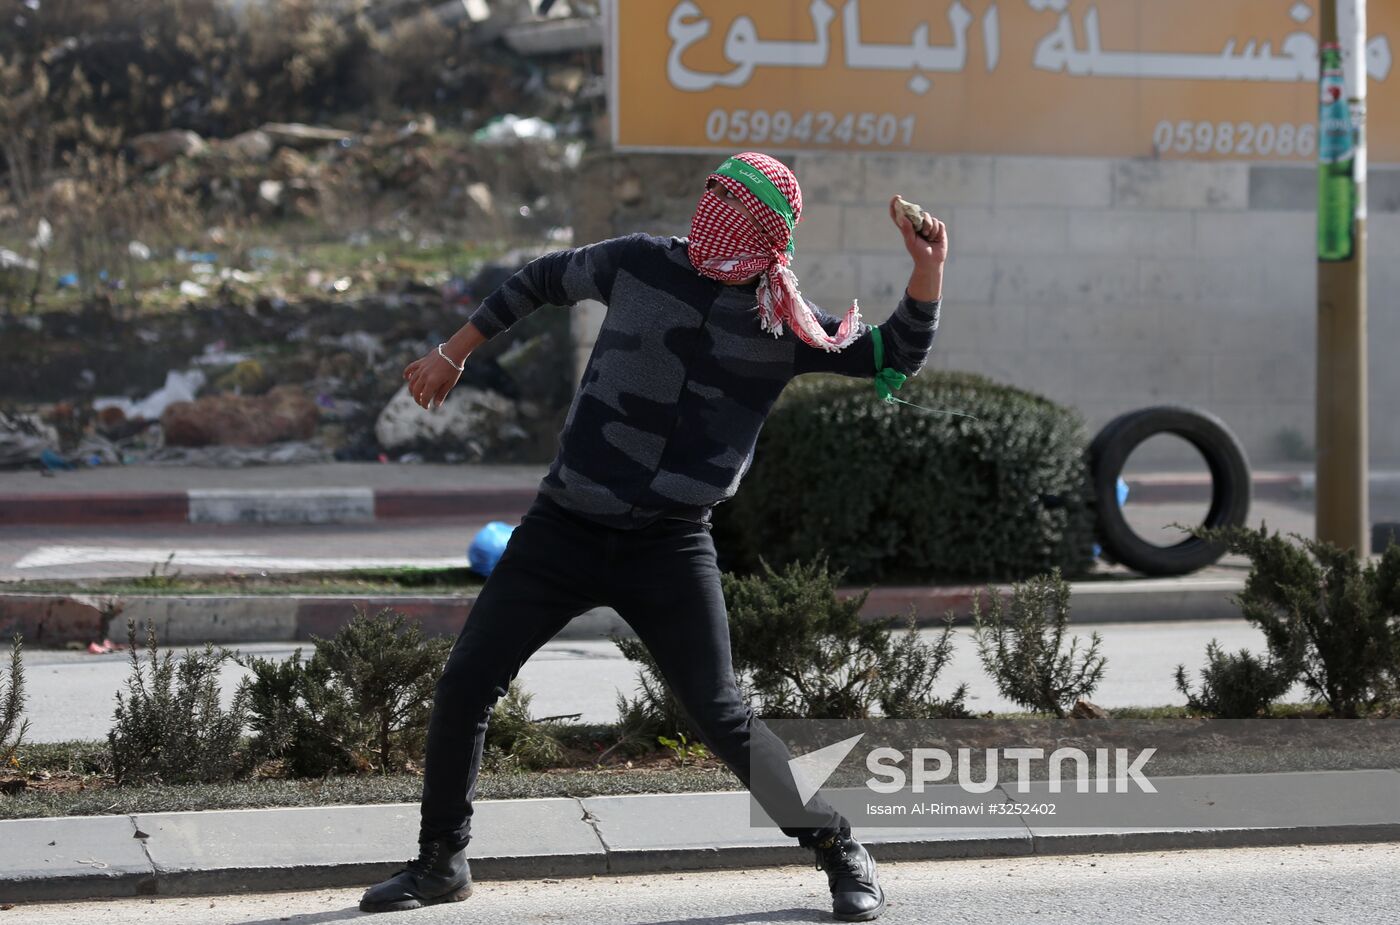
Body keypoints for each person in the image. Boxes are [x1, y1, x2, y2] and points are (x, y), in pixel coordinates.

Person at [359, 151, 948, 922]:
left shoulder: (784, 321)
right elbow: (542, 278)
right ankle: (442, 859)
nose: (712, 221)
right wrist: (453, 350)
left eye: (734, 212)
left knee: (720, 713)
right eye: (713, 198)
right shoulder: (639, 262)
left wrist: (928, 269)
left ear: (769, 235)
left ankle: (839, 847)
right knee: (467, 681)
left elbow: (892, 353)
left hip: (669, 544)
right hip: (564, 526)